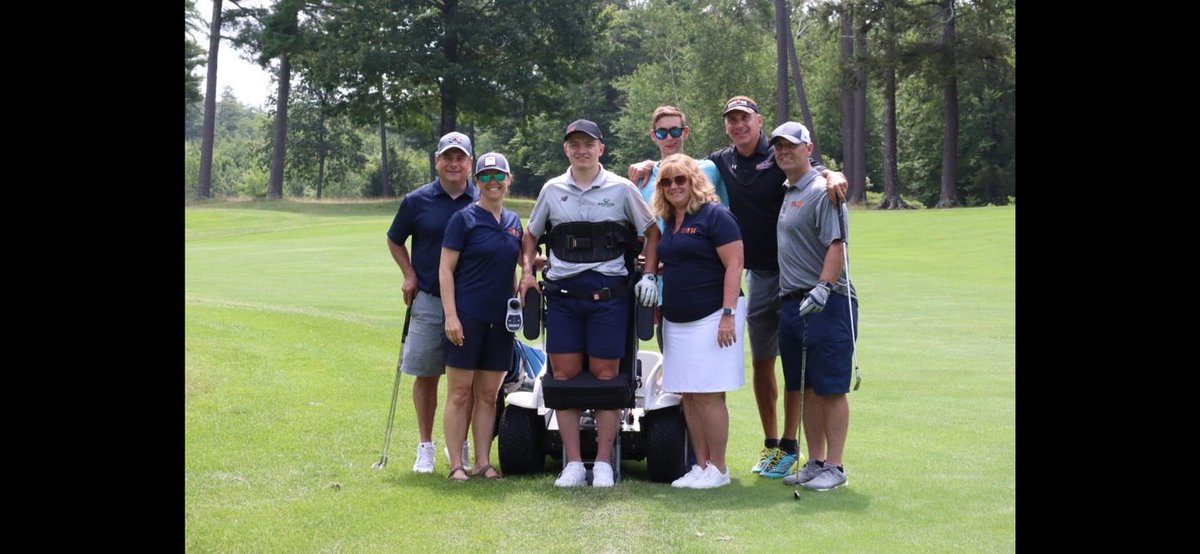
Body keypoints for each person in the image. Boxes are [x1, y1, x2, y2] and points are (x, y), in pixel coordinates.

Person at [628, 96, 847, 478]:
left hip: (797, 273)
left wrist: (833, 174)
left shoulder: (779, 151)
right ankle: (771, 444)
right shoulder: (720, 162)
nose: (738, 125)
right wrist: (652, 164)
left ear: (758, 121)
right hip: (761, 274)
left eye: (744, 119)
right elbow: (681, 176)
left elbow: (806, 164)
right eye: (731, 120)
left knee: (798, 366)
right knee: (764, 361)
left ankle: (796, 447)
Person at [519, 119, 661, 488]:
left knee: (606, 377)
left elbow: (651, 231)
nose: (581, 150)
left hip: (609, 296)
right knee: (562, 378)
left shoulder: (621, 188)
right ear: (567, 149)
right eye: (574, 144)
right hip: (563, 296)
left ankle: (601, 463)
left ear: (601, 148)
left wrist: (648, 273)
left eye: (589, 144)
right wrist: (527, 274)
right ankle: (572, 464)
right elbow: (531, 234)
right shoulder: (552, 190)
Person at [768, 121, 857, 491]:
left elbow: (837, 244)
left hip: (827, 301)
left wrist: (822, 287)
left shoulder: (824, 190)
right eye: (778, 147)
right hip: (793, 302)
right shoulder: (788, 191)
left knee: (830, 387)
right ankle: (815, 461)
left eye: (792, 145)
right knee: (804, 386)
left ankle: (834, 466)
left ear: (809, 148)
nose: (784, 151)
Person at [648, 153, 745, 489]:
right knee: (688, 393)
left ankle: (718, 467)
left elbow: (735, 265)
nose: (674, 186)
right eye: (666, 181)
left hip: (713, 316)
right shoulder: (668, 220)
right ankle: (700, 464)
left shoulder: (715, 215)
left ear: (694, 181)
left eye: (680, 180)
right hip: (676, 320)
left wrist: (728, 315)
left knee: (708, 394)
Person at [386, 131, 476, 474]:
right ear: (437, 161)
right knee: (426, 375)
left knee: (465, 381)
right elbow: (395, 240)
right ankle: (425, 446)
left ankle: (461, 446)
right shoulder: (417, 200)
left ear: (469, 162)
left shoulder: (482, 198)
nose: (454, 164)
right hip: (429, 300)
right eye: (447, 157)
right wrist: (409, 274)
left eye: (460, 158)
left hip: (470, 304)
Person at [439, 152, 523, 481]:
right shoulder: (463, 219)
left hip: (500, 320)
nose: (492, 182)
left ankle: (482, 462)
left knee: (489, 394)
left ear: (508, 180)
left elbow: (513, 267)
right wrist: (451, 317)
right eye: (485, 176)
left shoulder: (515, 222)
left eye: (498, 175)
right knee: (460, 392)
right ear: (477, 183)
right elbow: (445, 270)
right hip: (467, 317)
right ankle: (457, 464)